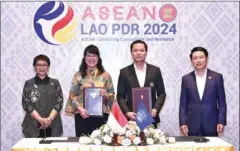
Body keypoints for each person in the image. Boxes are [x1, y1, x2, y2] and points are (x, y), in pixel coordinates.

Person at [65, 44, 115, 137]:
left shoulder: (105, 75)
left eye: (94, 55)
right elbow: (72, 95)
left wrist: (106, 95)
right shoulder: (78, 75)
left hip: (101, 116)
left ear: (98, 58)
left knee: (100, 143)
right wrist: (79, 108)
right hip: (82, 115)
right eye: (88, 55)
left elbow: (112, 95)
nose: (91, 58)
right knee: (83, 145)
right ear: (84, 57)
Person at [117, 40, 166, 128]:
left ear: (146, 52)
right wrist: (127, 112)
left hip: (151, 116)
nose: (138, 53)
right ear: (131, 53)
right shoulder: (124, 72)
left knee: (151, 141)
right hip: (132, 118)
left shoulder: (155, 71)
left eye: (141, 50)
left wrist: (156, 109)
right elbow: (120, 96)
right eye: (135, 50)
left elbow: (162, 93)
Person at [179, 47, 227, 136]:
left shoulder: (217, 77)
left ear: (206, 58)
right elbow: (183, 103)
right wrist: (183, 122)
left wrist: (221, 121)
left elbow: (222, 103)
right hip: (192, 124)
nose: (198, 60)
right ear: (191, 61)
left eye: (201, 57)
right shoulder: (186, 79)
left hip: (211, 124)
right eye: (195, 58)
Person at [21, 54, 63, 137]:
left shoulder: (55, 83)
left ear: (48, 67)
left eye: (44, 65)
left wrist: (49, 119)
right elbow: (26, 104)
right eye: (39, 65)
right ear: (34, 67)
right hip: (33, 125)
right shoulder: (29, 83)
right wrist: (40, 119)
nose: (42, 67)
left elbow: (59, 102)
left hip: (52, 124)